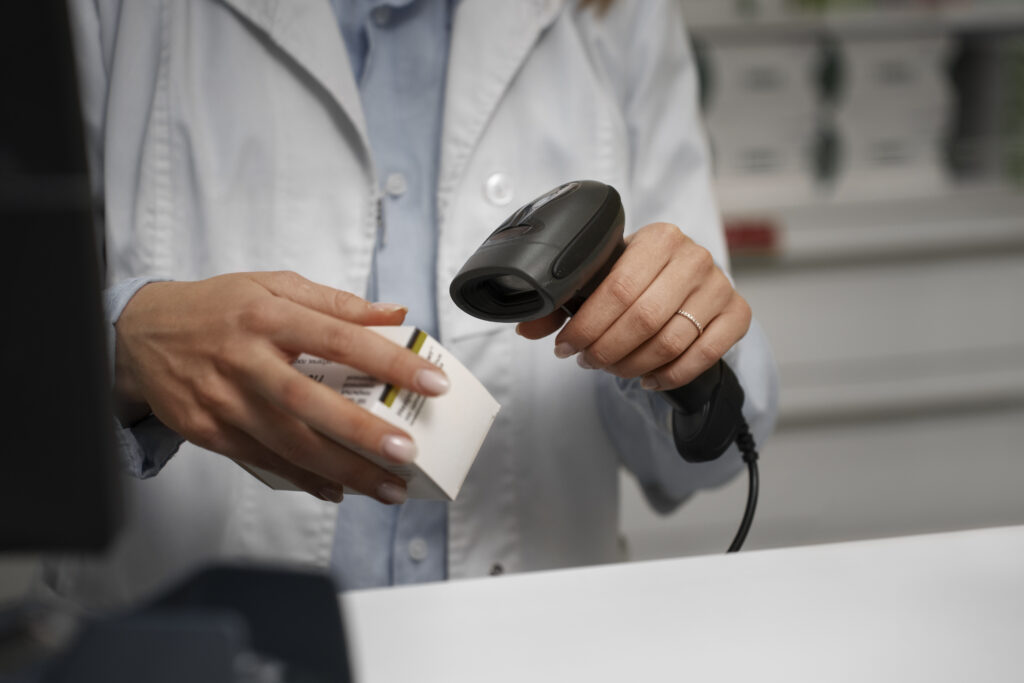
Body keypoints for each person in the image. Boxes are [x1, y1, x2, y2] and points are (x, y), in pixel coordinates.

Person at [55, 0, 778, 606]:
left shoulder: (617, 13)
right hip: (194, 640)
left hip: (530, 646)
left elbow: (703, 462)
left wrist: (681, 346)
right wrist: (126, 343)